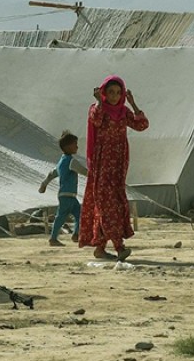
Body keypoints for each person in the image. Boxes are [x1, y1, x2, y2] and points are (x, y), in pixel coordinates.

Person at [78, 75, 149, 261]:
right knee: (105, 205)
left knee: (115, 204)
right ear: (104, 93)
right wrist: (98, 102)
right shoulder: (97, 109)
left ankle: (100, 248)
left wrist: (134, 105)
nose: (115, 96)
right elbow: (96, 120)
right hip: (102, 164)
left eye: (118, 92)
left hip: (118, 164)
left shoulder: (124, 112)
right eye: (111, 92)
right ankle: (119, 246)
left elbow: (142, 125)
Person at [39, 131, 88, 246]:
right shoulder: (71, 161)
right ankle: (53, 238)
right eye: (75, 144)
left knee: (80, 214)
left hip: (68, 196)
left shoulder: (61, 161)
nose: (77, 146)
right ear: (67, 146)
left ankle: (76, 234)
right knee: (61, 217)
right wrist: (96, 176)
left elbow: (52, 173)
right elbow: (83, 171)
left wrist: (44, 184)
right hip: (67, 195)